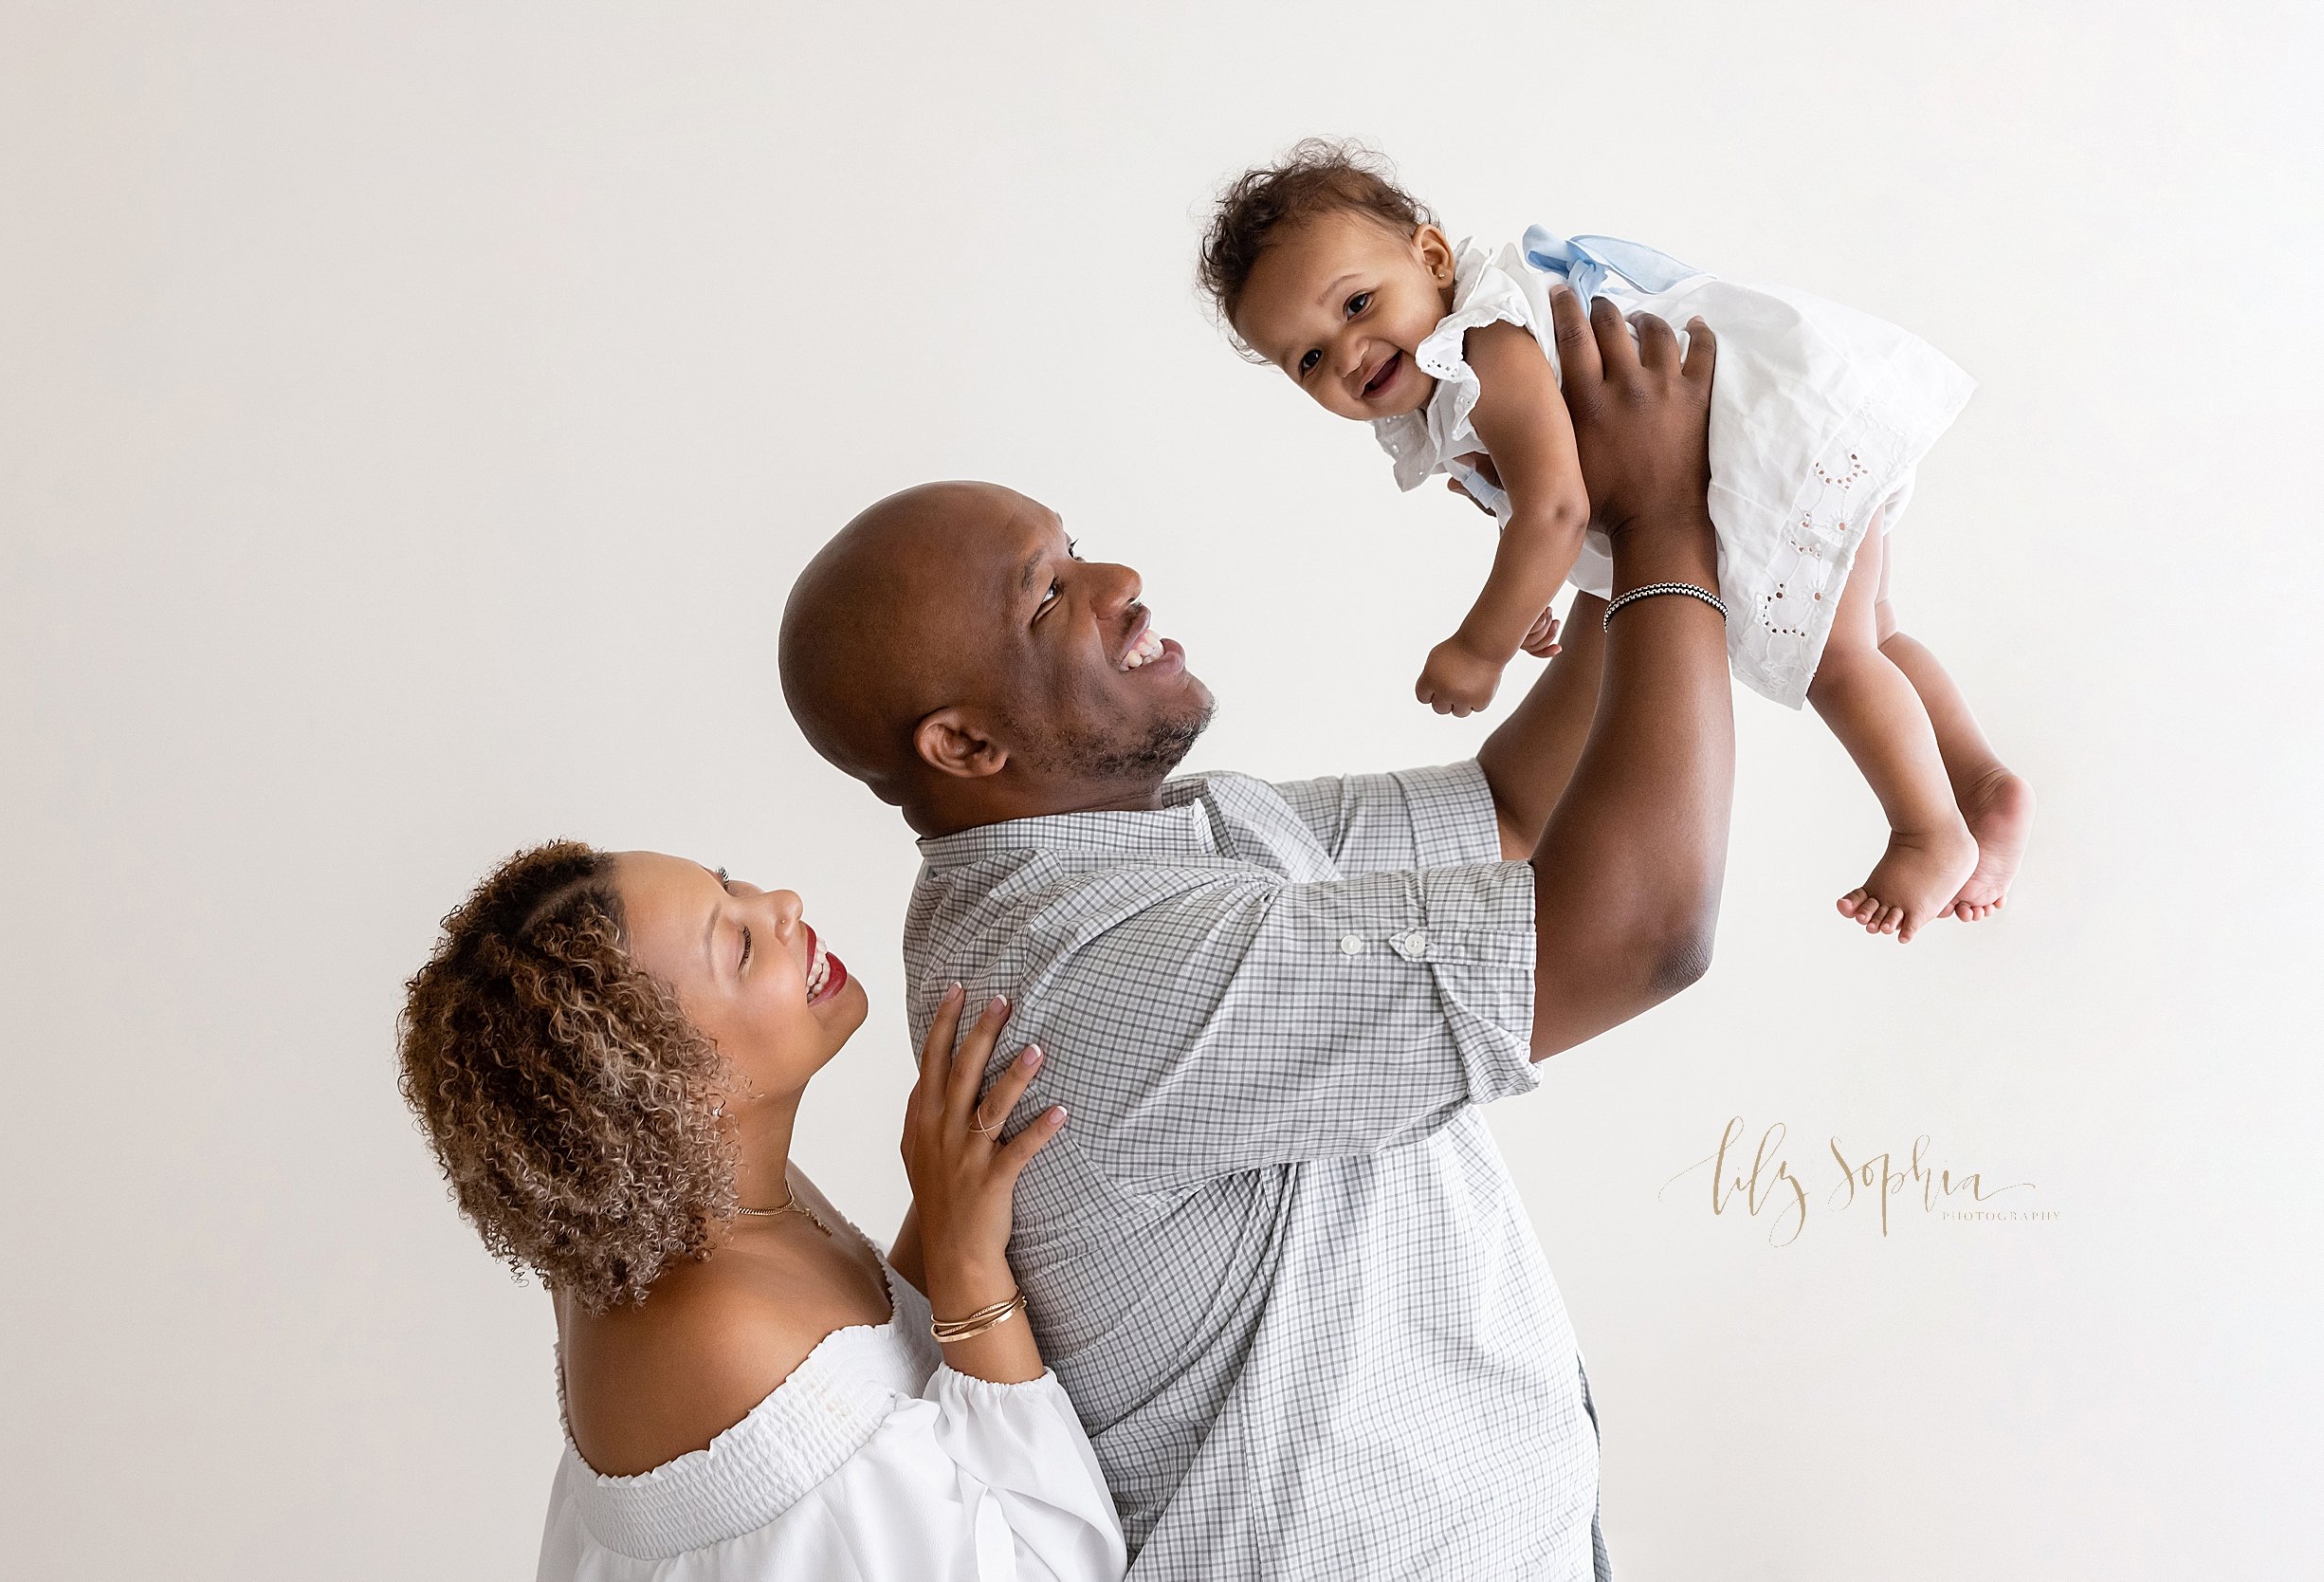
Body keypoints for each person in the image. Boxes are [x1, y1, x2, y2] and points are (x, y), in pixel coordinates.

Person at [778, 289, 1730, 1580]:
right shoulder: (1096, 977)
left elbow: (1510, 814)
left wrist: (1606, 544)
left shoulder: (1172, 834)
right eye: (1050, 595)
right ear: (965, 746)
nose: (1118, 582)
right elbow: (1641, 934)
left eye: (1082, 550)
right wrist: (1675, 529)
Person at [1199, 138, 2033, 941]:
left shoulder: (1483, 345)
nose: (1348, 351)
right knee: (1873, 637)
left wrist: (1482, 645)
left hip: (1761, 456)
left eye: (1357, 305)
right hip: (1788, 441)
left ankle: (1929, 832)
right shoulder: (1445, 402)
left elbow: (1557, 510)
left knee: (1837, 660)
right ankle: (1980, 785)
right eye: (1308, 359)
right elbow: (1539, 507)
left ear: (1432, 258)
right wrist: (1524, 595)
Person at [395, 842, 1126, 1580]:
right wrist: (969, 1269)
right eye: (738, 947)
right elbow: (1056, 1568)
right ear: (664, 1082)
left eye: (726, 882)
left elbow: (873, 1374)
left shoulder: (689, 1207)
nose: (782, 903)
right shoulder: (729, 1345)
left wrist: (943, 1202)